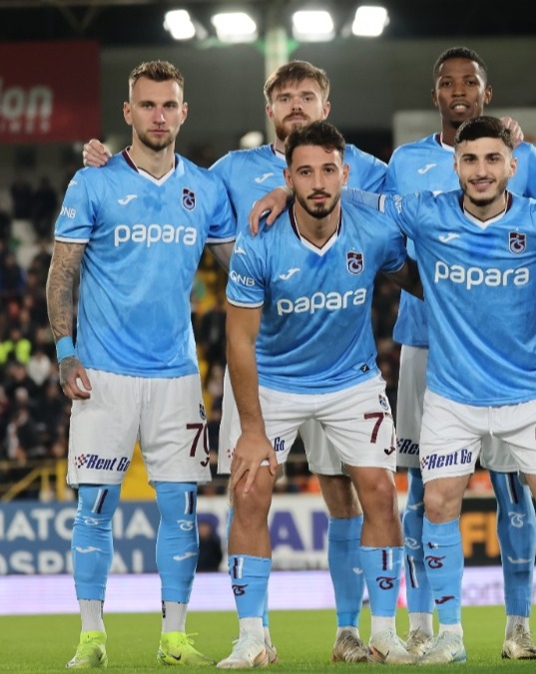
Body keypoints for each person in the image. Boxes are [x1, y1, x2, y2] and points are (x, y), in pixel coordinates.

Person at [82, 60, 386, 663]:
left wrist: (290, 190)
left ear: (325, 107)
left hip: (340, 362)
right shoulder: (227, 172)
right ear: (268, 109)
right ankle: (256, 635)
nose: (296, 105)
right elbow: (167, 182)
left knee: (346, 496)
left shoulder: (364, 168)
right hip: (263, 365)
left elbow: (410, 209)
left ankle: (350, 631)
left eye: (307, 96)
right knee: (248, 494)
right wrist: (108, 166)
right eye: (284, 97)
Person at [48, 60, 236, 668]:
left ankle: (174, 636)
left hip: (176, 375)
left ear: (184, 112)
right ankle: (91, 636)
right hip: (102, 373)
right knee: (95, 506)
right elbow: (62, 272)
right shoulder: (93, 182)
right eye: (148, 105)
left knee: (181, 507)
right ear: (128, 112)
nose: (159, 115)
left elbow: (240, 267)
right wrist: (64, 351)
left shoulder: (206, 189)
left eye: (169, 104)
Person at [217, 121, 415, 668]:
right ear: (288, 178)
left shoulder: (374, 231)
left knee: (379, 492)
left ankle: (383, 634)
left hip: (351, 380)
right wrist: (252, 430)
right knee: (249, 491)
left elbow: (420, 282)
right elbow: (238, 340)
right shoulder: (258, 240)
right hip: (274, 380)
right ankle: (252, 638)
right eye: (305, 172)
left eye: (328, 170)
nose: (318, 182)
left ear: (345, 174)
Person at [383, 46, 536, 660]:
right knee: (422, 489)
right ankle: (423, 624)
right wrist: (441, 288)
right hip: (424, 344)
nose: (459, 91)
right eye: (447, 83)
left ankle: (519, 626)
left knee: (513, 488)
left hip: (504, 358)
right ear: (434, 94)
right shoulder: (405, 162)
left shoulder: (524, 159)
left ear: (487, 92)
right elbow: (380, 239)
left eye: (470, 82)